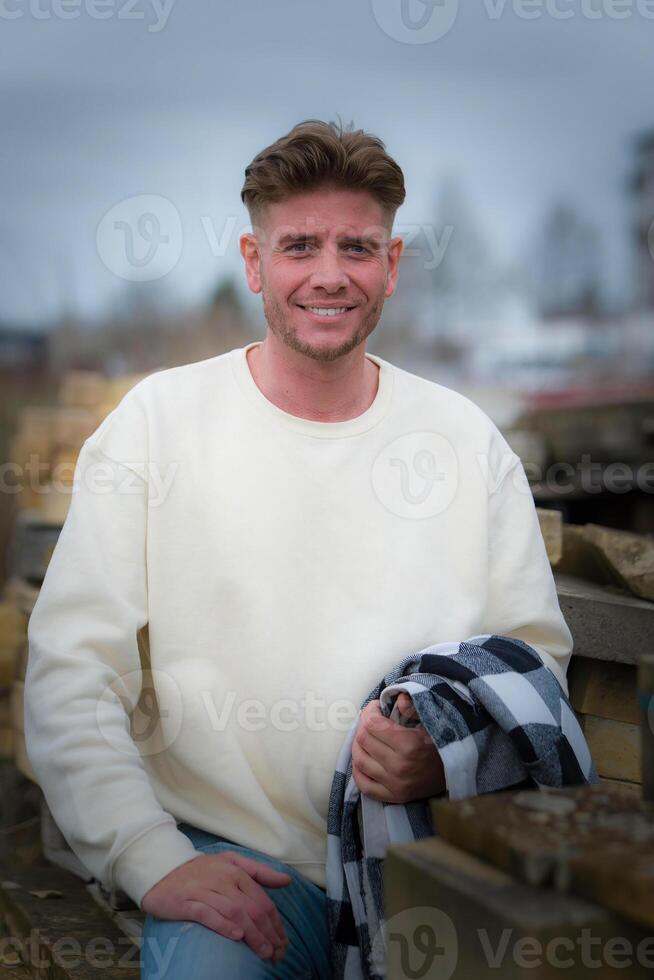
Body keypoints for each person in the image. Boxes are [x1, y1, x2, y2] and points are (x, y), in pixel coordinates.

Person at [24, 119, 573, 979]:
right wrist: (149, 855)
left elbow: (536, 662)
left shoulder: (465, 442)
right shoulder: (156, 427)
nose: (329, 274)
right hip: (239, 863)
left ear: (391, 266)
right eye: (299, 245)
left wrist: (445, 749)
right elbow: (71, 670)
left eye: (357, 246)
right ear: (253, 260)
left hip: (427, 861)